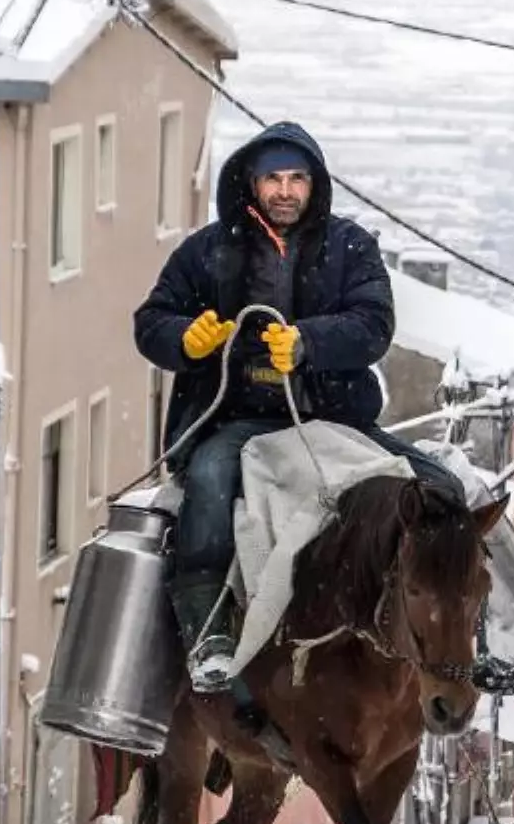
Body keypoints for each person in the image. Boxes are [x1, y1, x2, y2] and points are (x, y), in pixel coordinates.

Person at [135, 120, 405, 693]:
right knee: (208, 478)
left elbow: (375, 324)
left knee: (427, 490)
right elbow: (151, 322)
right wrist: (187, 339)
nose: (285, 191)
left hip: (332, 419)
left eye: (297, 178)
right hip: (235, 422)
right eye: (273, 178)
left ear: (315, 184)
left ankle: (463, 638)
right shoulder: (207, 252)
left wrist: (309, 342)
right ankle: (207, 626)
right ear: (251, 183)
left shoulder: (350, 247)